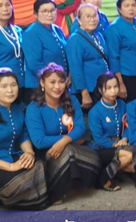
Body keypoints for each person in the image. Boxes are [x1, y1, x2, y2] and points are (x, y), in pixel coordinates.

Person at [0, 69, 49, 210]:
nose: (10, 90)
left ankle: (11, 194)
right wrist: (11, 167)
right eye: (4, 86)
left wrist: (29, 153)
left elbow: (23, 136)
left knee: (39, 165)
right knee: (19, 182)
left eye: (13, 85)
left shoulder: (18, 108)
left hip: (13, 157)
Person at [25, 63, 101, 205]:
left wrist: (65, 141)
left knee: (86, 154)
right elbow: (39, 141)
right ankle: (56, 192)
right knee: (68, 152)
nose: (57, 86)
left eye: (61, 82)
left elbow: (80, 128)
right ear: (42, 83)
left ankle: (77, 183)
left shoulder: (72, 100)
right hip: (48, 153)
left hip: (71, 146)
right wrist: (67, 140)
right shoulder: (34, 108)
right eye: (52, 82)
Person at [87, 72, 136, 192]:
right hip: (102, 147)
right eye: (108, 88)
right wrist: (115, 144)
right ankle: (104, 178)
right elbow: (98, 138)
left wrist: (124, 138)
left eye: (115, 87)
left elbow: (128, 125)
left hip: (122, 143)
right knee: (131, 157)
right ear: (100, 89)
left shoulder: (122, 104)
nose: (113, 91)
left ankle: (112, 172)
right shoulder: (95, 112)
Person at [22, 0, 69, 102]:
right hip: (39, 85)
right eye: (44, 11)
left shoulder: (57, 29)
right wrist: (52, 80)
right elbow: (34, 64)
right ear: (35, 14)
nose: (49, 14)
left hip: (58, 84)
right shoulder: (31, 33)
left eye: (52, 10)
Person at [66, 4, 110, 111]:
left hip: (101, 86)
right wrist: (84, 93)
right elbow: (75, 68)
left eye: (95, 16)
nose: (92, 19)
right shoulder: (75, 39)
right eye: (88, 17)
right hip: (88, 90)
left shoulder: (98, 34)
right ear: (79, 20)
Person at [106, 0, 136, 101]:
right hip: (127, 75)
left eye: (133, 5)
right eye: (127, 6)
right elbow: (113, 57)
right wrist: (120, 83)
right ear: (119, 9)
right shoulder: (114, 28)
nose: (131, 8)